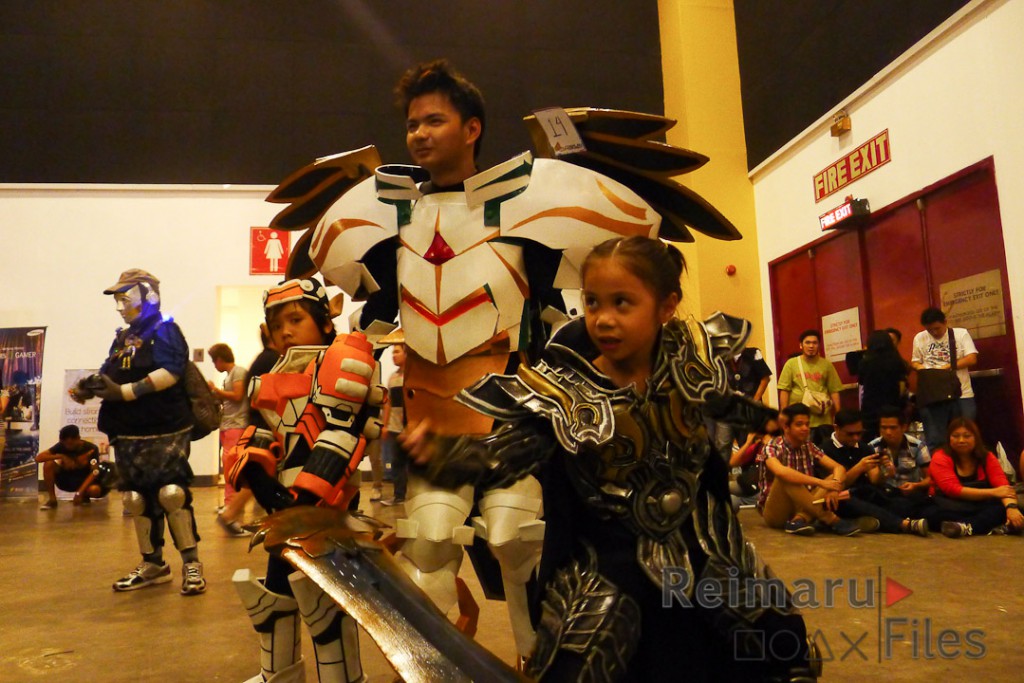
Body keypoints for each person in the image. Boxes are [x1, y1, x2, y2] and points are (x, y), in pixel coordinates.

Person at [406, 236, 818, 681]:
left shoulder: (689, 368)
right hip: (608, 564)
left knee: (779, 642)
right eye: (593, 302)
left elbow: (723, 415)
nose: (603, 319)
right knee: (584, 658)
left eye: (622, 303)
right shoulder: (567, 392)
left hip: (703, 545)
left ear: (666, 306)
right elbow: (510, 451)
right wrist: (445, 456)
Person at [230, 278, 379, 683]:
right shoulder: (272, 372)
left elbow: (343, 436)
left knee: (324, 601)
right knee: (276, 595)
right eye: (277, 325)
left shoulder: (345, 361)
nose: (285, 332)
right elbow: (258, 433)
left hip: (327, 505)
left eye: (296, 320)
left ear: (325, 322)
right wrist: (262, 484)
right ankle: (278, 674)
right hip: (284, 507)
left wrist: (305, 500)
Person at [70, 269, 206, 595]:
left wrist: (124, 392)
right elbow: (110, 371)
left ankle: (191, 564)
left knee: (171, 494)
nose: (120, 307)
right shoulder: (123, 338)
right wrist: (89, 386)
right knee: (135, 498)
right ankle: (153, 563)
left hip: (165, 427)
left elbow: (171, 371)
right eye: (117, 300)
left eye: (125, 299)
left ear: (149, 296)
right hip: (127, 430)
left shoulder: (165, 330)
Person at [756, 404, 861, 536]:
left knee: (834, 478)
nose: (805, 428)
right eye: (799, 424)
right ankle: (831, 519)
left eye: (807, 424)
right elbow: (781, 472)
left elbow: (838, 468)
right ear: (786, 427)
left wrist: (834, 487)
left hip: (804, 504)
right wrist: (820, 482)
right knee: (787, 476)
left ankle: (798, 520)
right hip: (776, 511)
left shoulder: (808, 446)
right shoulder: (772, 447)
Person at [823, 408, 929, 536]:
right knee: (850, 501)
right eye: (850, 434)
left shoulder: (864, 447)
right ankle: (904, 524)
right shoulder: (825, 449)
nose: (856, 437)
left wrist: (886, 472)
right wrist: (858, 468)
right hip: (839, 497)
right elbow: (830, 486)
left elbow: (875, 480)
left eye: (859, 433)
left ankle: (864, 521)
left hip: (866, 493)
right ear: (836, 428)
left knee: (900, 502)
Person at [928, 418, 1022, 537]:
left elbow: (1003, 487)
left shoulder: (987, 457)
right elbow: (952, 490)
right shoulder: (940, 457)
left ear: (976, 438)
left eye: (967, 436)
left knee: (1006, 510)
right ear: (949, 438)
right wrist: (993, 492)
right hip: (948, 505)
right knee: (930, 513)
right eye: (955, 436)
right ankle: (977, 527)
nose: (961, 440)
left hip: (979, 505)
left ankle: (964, 527)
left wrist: (1011, 508)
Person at [911, 307, 979, 452]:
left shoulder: (960, 334)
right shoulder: (919, 338)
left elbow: (972, 358)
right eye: (930, 330)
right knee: (936, 438)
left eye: (937, 328)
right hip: (934, 395)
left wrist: (947, 367)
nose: (934, 333)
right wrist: (924, 370)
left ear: (945, 322)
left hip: (961, 393)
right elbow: (915, 361)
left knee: (966, 433)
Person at [206, 343, 253, 536]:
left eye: (214, 361)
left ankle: (232, 507)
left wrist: (216, 390)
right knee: (228, 466)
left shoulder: (238, 372)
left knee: (233, 467)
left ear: (219, 359)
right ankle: (229, 504)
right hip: (229, 425)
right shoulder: (230, 375)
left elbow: (238, 395)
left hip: (237, 425)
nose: (214, 365)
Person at [708, 346, 773, 462]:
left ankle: (748, 471)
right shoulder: (719, 356)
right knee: (722, 443)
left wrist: (754, 400)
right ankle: (724, 471)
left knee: (746, 443)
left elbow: (765, 379)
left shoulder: (753, 353)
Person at [777, 330, 842, 446]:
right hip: (799, 420)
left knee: (823, 450)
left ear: (819, 345)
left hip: (823, 421)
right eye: (807, 342)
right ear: (801, 345)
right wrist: (784, 414)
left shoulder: (826, 365)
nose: (811, 346)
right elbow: (784, 390)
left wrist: (839, 414)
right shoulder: (791, 364)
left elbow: (834, 390)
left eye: (814, 343)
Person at [35, 424, 110, 509]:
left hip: (83, 480)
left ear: (78, 438)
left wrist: (79, 492)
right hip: (67, 479)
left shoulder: (91, 448)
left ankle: (84, 496)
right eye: (65, 444)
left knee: (94, 490)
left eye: (70, 444)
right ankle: (52, 500)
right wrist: (61, 456)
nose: (68, 446)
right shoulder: (61, 446)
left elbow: (94, 472)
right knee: (49, 463)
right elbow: (38, 458)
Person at [856, 330, 908, 442]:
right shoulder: (897, 361)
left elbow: (861, 381)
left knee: (870, 438)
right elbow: (902, 385)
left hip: (871, 405)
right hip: (892, 405)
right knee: (892, 436)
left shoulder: (865, 362)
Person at [728, 410, 781, 511]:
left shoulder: (780, 445)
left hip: (764, 490)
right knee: (717, 488)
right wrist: (748, 442)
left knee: (731, 500)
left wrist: (769, 443)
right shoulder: (757, 446)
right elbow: (733, 462)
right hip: (749, 483)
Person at [379, 340, 408, 507]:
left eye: (397, 352)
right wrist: (385, 425)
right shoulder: (393, 378)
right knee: (397, 462)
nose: (393, 356)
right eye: (392, 352)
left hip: (411, 428)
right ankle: (399, 496)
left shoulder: (414, 377)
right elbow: (388, 403)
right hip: (395, 427)